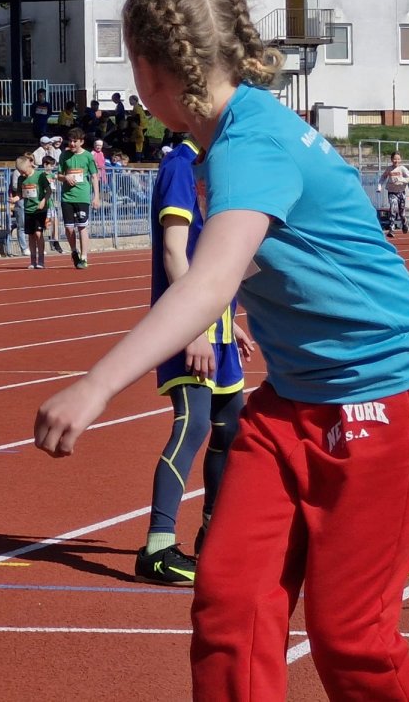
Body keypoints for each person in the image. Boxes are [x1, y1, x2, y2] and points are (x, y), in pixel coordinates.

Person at [33, 0, 409, 701]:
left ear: (151, 69)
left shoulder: (250, 143)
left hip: (384, 392)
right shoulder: (221, 140)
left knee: (350, 634)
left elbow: (211, 281)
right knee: (231, 603)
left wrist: (96, 386)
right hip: (294, 399)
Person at [136, 135, 254, 586]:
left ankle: (213, 535)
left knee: (232, 429)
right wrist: (194, 329)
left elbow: (213, 257)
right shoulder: (180, 166)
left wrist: (228, 321)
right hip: (188, 326)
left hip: (216, 326)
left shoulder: (214, 163)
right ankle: (158, 548)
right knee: (193, 425)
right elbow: (175, 251)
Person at [57, 128, 100, 269]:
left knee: (82, 226)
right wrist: (66, 177)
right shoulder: (64, 155)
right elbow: (58, 175)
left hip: (82, 196)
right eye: (70, 141)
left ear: (81, 141)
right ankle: (74, 251)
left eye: (75, 141)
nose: (72, 144)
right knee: (69, 228)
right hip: (67, 197)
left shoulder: (88, 156)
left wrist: (96, 197)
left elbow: (94, 176)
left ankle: (84, 257)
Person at [14, 154, 51, 269]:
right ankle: (33, 260)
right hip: (28, 209)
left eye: (24, 172)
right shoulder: (21, 179)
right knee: (30, 235)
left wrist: (43, 201)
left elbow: (49, 191)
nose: (23, 174)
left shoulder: (40, 176)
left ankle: (41, 260)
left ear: (30, 166)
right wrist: (15, 199)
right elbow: (20, 194)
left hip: (39, 209)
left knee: (38, 233)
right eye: (20, 172)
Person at [378, 151, 409, 238]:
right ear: (391, 159)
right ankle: (391, 229)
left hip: (401, 192)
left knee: (401, 213)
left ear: (400, 160)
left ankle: (404, 223)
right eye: (394, 159)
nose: (396, 161)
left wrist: (401, 179)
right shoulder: (389, 169)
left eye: (398, 159)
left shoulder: (402, 169)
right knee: (393, 209)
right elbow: (383, 177)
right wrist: (379, 187)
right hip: (392, 192)